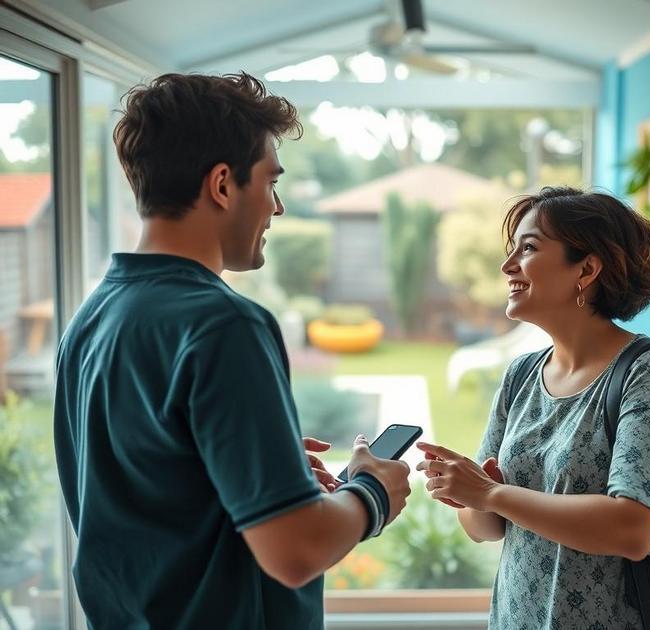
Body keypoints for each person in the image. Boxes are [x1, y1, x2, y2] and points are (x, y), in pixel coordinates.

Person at [53, 72, 411, 629]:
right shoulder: (225, 325)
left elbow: (146, 488)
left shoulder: (93, 318)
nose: (278, 207)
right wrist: (373, 491)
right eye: (271, 182)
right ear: (222, 184)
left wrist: (256, 463)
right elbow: (294, 551)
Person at [417, 186, 650, 629]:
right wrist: (467, 491)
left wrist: (491, 493)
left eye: (527, 248)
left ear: (586, 270)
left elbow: (635, 529)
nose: (507, 266)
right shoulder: (521, 375)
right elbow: (487, 528)